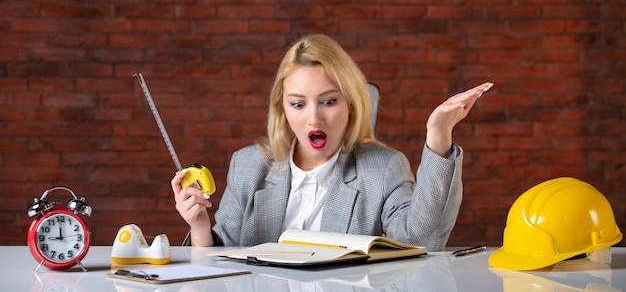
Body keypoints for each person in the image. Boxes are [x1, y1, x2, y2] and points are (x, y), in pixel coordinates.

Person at [171, 34, 493, 251]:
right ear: (282, 109)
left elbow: (423, 242)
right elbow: (219, 263)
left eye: (328, 102)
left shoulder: (383, 168)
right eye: (298, 104)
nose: (314, 119)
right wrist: (200, 227)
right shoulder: (249, 165)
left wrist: (438, 138)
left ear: (350, 104)